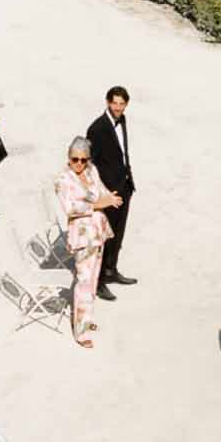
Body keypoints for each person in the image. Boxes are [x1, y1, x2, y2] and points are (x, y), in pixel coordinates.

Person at [56, 136, 121, 347]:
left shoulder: (91, 171)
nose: (79, 164)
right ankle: (81, 331)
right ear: (69, 158)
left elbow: (100, 189)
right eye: (75, 159)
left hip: (98, 231)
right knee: (83, 280)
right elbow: (72, 208)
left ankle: (87, 318)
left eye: (84, 160)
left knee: (93, 279)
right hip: (82, 236)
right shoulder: (63, 180)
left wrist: (109, 197)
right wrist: (99, 204)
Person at [87, 86, 136, 296]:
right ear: (108, 102)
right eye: (114, 103)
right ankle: (97, 281)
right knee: (104, 235)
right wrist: (103, 193)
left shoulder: (122, 120)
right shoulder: (97, 128)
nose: (117, 107)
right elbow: (90, 163)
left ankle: (111, 270)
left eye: (121, 104)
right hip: (108, 191)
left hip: (124, 185)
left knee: (118, 233)